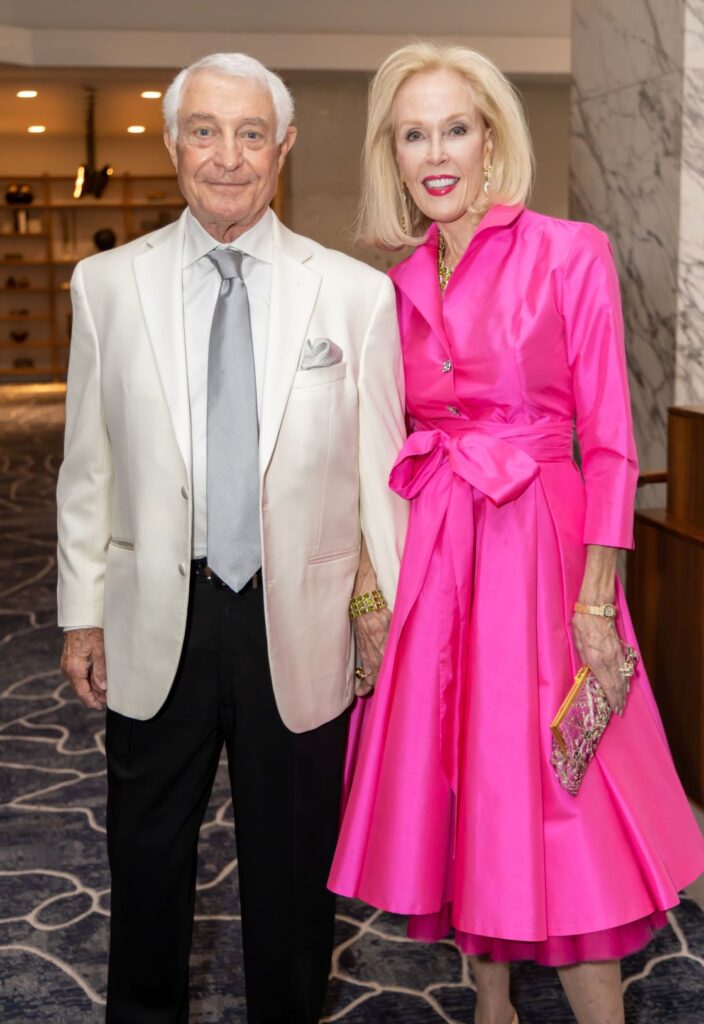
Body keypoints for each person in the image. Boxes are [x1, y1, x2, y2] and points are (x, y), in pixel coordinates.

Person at [329, 41, 704, 1024]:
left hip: (541, 551)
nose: (435, 151)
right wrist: (373, 582)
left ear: (489, 139)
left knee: (560, 789)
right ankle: (488, 1002)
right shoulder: (393, 283)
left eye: (454, 127)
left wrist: (595, 596)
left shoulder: (566, 250)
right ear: (394, 154)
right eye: (414, 133)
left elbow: (612, 443)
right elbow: (379, 446)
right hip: (439, 552)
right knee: (459, 780)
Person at [57, 52, 407, 1024]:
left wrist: (396, 611)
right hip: (151, 611)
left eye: (251, 134)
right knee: (146, 852)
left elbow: (383, 474)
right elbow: (87, 466)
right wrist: (80, 612)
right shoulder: (105, 286)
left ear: (283, 147)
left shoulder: (351, 295)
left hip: (300, 616)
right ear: (173, 146)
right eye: (204, 131)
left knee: (293, 867)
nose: (227, 156)